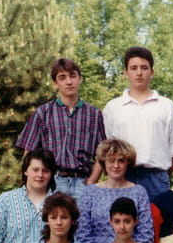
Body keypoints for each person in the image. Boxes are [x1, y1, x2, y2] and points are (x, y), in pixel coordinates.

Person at [15, 58, 106, 200]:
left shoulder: (94, 114)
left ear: (80, 79)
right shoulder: (43, 113)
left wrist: (91, 183)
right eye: (62, 77)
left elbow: (102, 154)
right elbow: (29, 154)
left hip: (83, 182)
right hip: (51, 182)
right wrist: (33, 186)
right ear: (55, 83)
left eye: (73, 76)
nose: (69, 82)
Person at [103, 46, 173, 200]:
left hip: (157, 179)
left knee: (157, 216)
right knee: (121, 217)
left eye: (144, 68)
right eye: (133, 68)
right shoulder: (113, 107)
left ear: (152, 72)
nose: (139, 73)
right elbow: (108, 147)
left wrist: (162, 175)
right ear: (126, 73)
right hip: (123, 176)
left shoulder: (166, 105)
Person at [76, 138, 154, 243]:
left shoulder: (139, 192)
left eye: (121, 161)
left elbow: (145, 233)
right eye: (111, 160)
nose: (116, 165)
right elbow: (82, 232)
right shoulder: (90, 192)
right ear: (104, 162)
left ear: (128, 163)